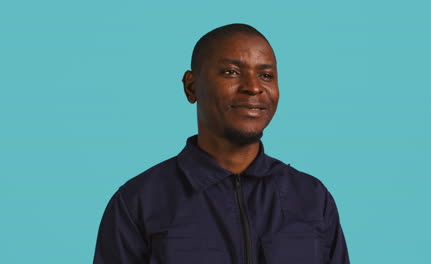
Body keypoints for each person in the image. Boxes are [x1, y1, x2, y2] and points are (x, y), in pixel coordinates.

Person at [93, 23, 350, 264]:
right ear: (191, 87)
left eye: (266, 75)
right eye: (231, 72)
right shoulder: (138, 202)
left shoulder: (312, 198)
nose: (253, 87)